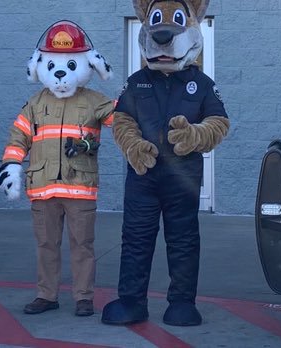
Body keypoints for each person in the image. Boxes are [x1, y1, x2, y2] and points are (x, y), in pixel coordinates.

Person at [102, 0, 230, 327]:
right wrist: (132, 145)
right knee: (135, 239)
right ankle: (131, 301)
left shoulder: (201, 84)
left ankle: (182, 303)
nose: (163, 33)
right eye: (156, 21)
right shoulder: (136, 81)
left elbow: (219, 123)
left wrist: (194, 135)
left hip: (183, 178)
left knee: (184, 241)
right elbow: (122, 120)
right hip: (142, 177)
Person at [0, 20, 115, 317]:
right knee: (46, 245)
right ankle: (46, 295)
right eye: (53, 64)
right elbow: (17, 137)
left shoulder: (96, 102)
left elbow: (123, 120)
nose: (61, 73)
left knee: (82, 245)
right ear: (39, 66)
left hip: (79, 188)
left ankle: (83, 297)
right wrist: (11, 166)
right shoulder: (34, 104)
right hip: (43, 188)